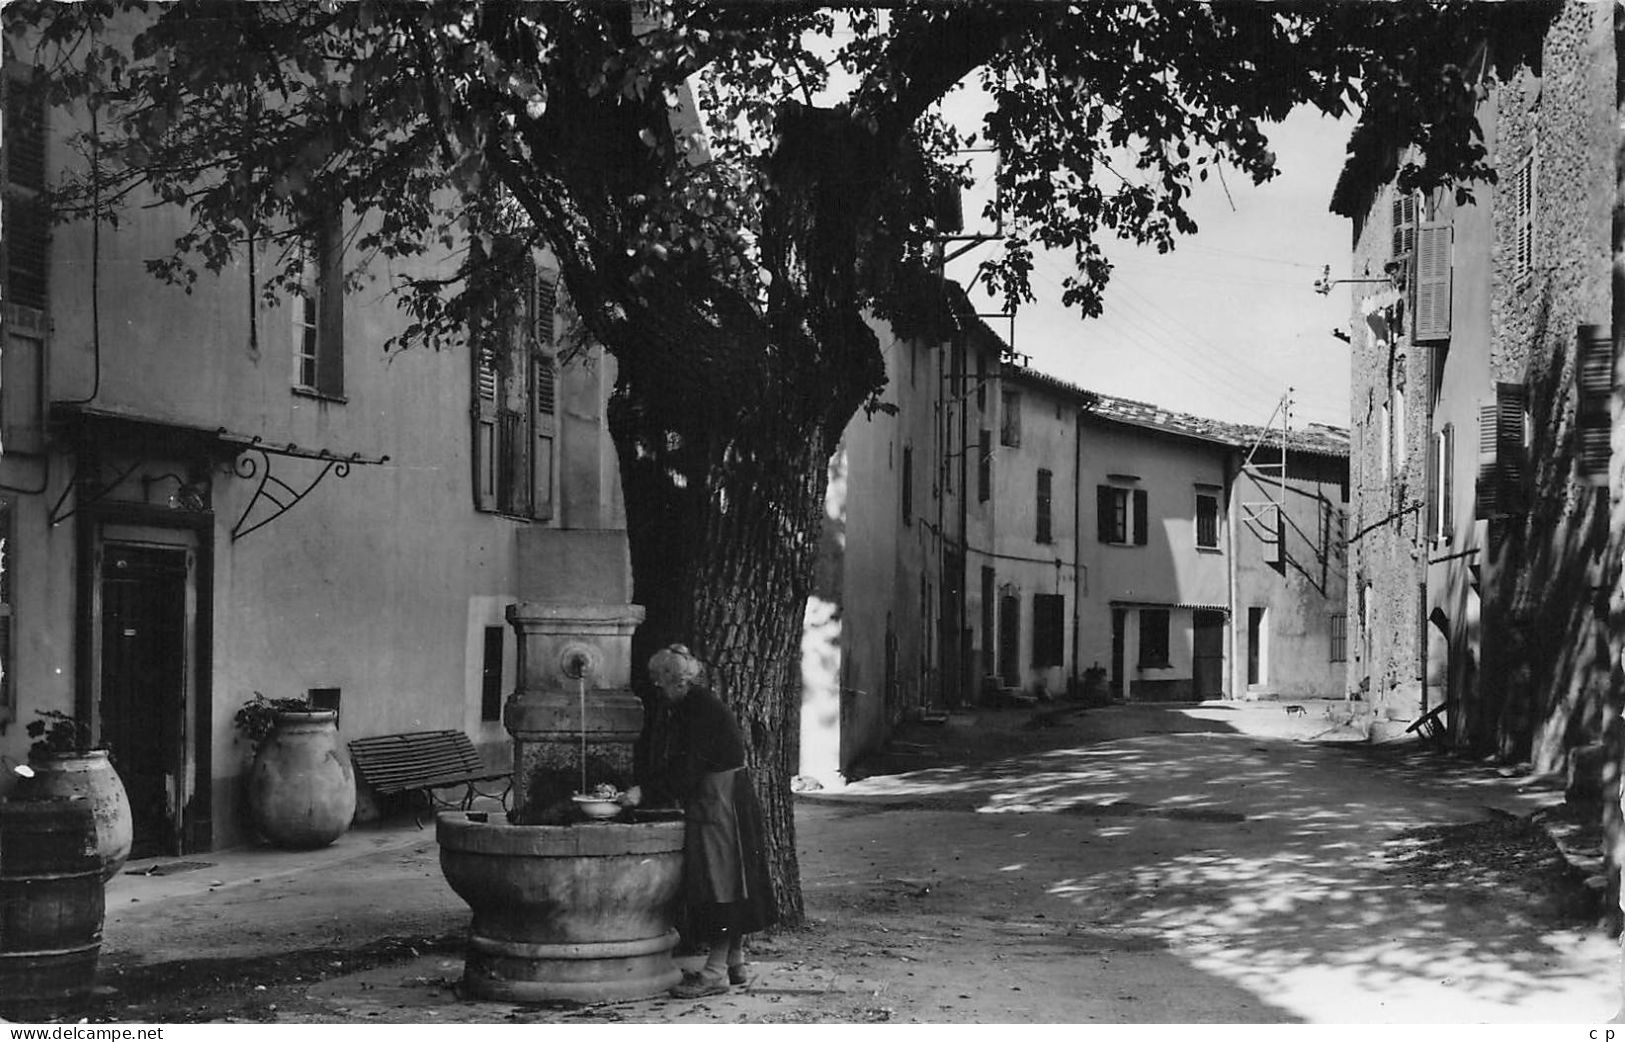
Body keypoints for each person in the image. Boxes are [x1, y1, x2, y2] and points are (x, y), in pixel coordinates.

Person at [620, 643, 776, 998]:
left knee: (721, 884)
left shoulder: (698, 710)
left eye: (658, 679)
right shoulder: (693, 704)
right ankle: (735, 961)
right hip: (726, 798)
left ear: (676, 680)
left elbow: (688, 766)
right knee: (735, 881)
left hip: (720, 802)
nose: (655, 686)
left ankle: (714, 973)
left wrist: (644, 792)